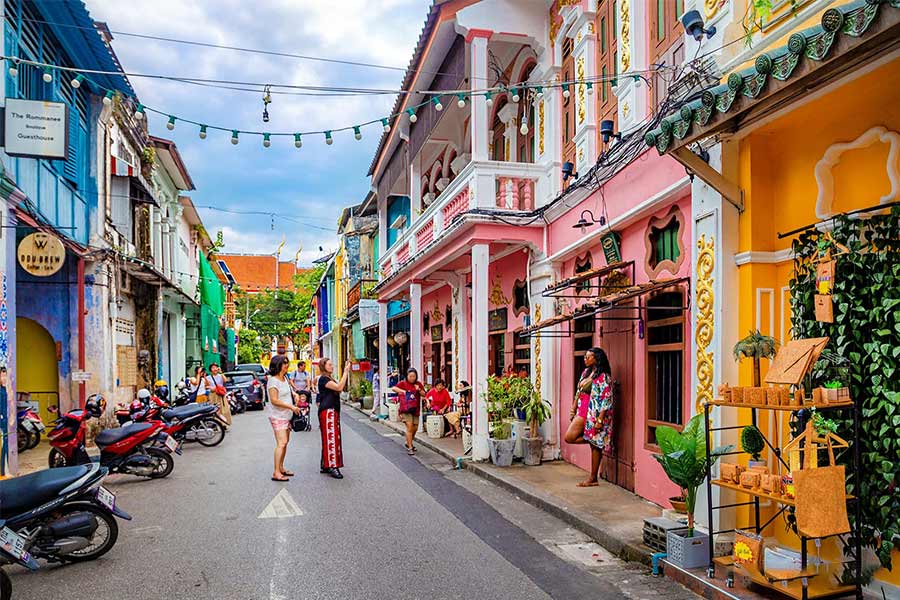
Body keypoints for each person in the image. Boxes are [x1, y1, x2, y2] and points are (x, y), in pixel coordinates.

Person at [564, 347, 614, 487]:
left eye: (588, 357)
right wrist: (573, 408)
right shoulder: (586, 372)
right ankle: (595, 440)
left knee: (595, 447)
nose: (585, 359)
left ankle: (593, 478)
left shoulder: (603, 376)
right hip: (582, 410)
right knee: (570, 437)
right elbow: (579, 391)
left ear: (596, 359)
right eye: (585, 356)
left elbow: (606, 399)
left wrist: (600, 420)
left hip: (595, 413)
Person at [266, 355, 302, 481]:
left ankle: (281, 468)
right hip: (278, 416)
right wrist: (291, 407)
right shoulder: (273, 381)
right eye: (284, 363)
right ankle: (276, 472)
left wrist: (295, 394)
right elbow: (274, 400)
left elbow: (287, 392)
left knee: (285, 443)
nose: (287, 365)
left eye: (287, 362)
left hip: (287, 416)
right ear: (277, 365)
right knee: (281, 443)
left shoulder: (285, 378)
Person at [317, 358, 350, 479]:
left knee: (331, 437)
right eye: (330, 365)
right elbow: (339, 387)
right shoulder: (324, 379)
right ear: (323, 366)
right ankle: (332, 466)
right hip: (328, 411)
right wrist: (346, 371)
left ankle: (325, 464)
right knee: (332, 438)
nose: (332, 366)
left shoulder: (328, 378)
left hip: (332, 410)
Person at [392, 368, 425, 455]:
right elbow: (394, 388)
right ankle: (410, 447)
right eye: (410, 376)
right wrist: (403, 391)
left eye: (414, 376)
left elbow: (424, 394)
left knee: (415, 428)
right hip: (405, 409)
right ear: (407, 376)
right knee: (409, 426)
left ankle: (408, 442)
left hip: (415, 409)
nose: (412, 378)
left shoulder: (418, 384)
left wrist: (419, 390)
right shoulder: (403, 383)